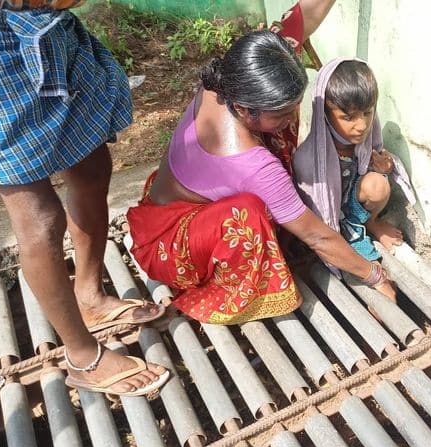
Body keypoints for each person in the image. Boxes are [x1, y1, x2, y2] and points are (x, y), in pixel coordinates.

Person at [0, 0, 169, 397]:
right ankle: (82, 356)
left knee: (92, 166)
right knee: (39, 215)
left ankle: (90, 296)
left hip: (38, 23)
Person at [127, 2, 396, 326]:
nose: (289, 119)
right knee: (248, 215)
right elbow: (319, 238)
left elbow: (302, 18)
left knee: (268, 176)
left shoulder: (234, 74)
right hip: (172, 244)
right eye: (280, 113)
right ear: (243, 109)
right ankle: (221, 292)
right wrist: (373, 274)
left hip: (172, 201)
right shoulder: (250, 161)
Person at [293, 58, 416, 263]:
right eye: (348, 117)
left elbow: (372, 166)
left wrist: (384, 167)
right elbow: (308, 208)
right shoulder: (307, 160)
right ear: (325, 114)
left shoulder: (365, 140)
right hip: (324, 219)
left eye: (368, 113)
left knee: (378, 185)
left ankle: (372, 223)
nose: (362, 125)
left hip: (351, 203)